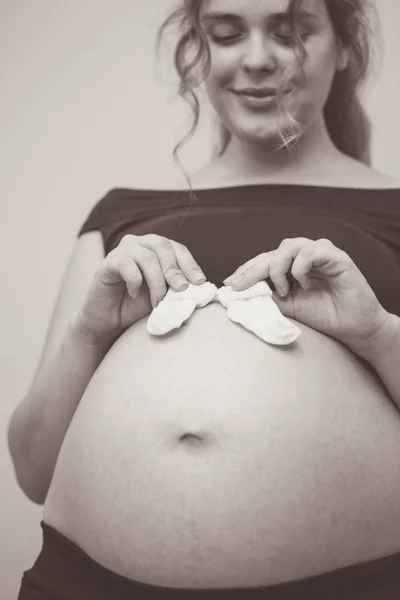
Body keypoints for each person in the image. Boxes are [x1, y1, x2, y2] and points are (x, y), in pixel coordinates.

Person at [9, 0, 400, 598]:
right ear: (200, 49)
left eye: (291, 32)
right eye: (226, 33)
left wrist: (379, 335)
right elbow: (34, 472)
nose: (258, 59)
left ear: (345, 47)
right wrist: (89, 333)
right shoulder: (120, 216)